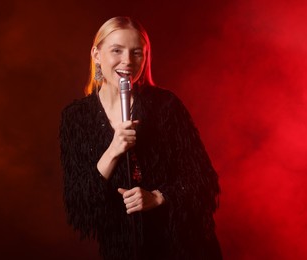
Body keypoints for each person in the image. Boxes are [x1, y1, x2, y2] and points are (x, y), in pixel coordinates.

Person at [59, 16, 222, 260]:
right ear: (96, 54)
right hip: (124, 251)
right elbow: (79, 204)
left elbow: (203, 181)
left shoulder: (166, 106)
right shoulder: (76, 117)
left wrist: (157, 197)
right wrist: (113, 150)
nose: (128, 61)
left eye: (137, 53)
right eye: (117, 50)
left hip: (181, 248)